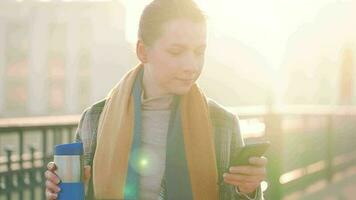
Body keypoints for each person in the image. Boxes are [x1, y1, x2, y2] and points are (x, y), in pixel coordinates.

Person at [44, 0, 267, 199]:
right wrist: (60, 191)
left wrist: (248, 189)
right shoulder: (95, 119)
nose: (191, 65)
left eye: (199, 51)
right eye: (176, 51)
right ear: (143, 51)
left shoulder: (222, 123)